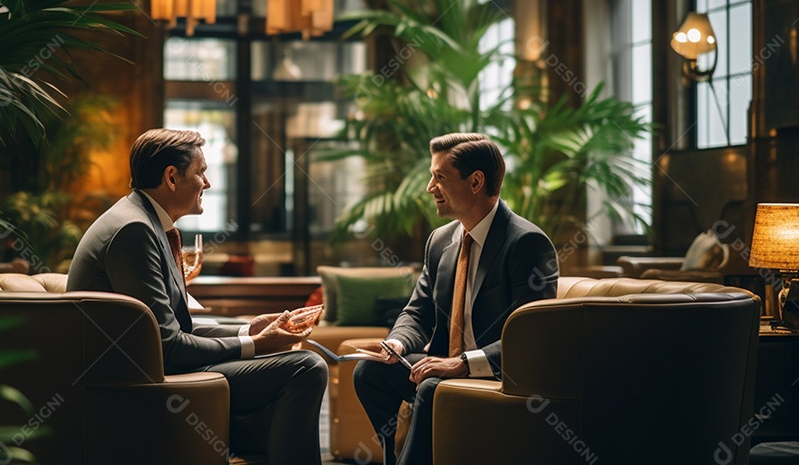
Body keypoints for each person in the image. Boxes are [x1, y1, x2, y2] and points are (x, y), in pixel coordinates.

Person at [67, 128, 327, 465]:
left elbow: (172, 330)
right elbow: (168, 345)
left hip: (150, 368)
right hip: (134, 384)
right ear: (171, 178)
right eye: (201, 172)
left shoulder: (141, 220)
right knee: (305, 367)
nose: (208, 183)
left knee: (298, 364)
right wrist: (257, 345)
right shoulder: (133, 231)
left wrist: (247, 331)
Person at [353, 133, 559, 465]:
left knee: (433, 387)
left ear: (476, 181)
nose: (429, 188)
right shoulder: (440, 241)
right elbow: (418, 311)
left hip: (501, 376)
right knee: (369, 373)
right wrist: (398, 344)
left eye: (440, 177)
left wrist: (463, 363)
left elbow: (532, 338)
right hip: (445, 367)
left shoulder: (527, 243)